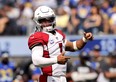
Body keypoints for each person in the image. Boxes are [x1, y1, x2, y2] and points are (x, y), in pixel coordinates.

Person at [28, 6, 93, 82]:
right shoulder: (37, 36)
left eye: (49, 19)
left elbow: (73, 46)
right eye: (43, 20)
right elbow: (36, 61)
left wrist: (84, 39)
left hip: (62, 78)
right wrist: (56, 59)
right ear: (37, 21)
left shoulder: (59, 34)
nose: (47, 23)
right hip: (48, 78)